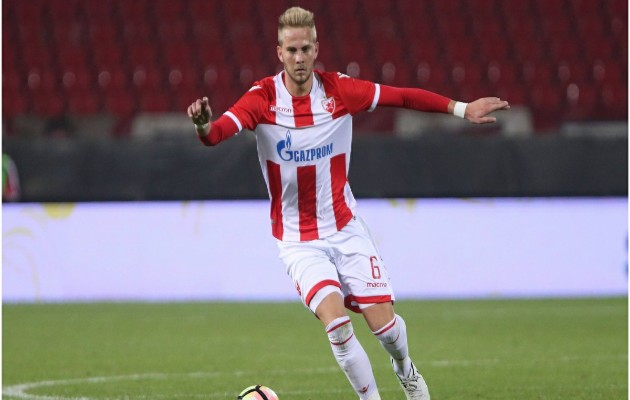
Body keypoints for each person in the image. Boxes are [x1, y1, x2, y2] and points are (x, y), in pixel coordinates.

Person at [187, 7, 509, 400]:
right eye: (292, 50)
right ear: (279, 52)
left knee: (386, 331)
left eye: (306, 49)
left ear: (316, 49)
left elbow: (402, 96)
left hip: (345, 227)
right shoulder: (262, 99)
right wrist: (203, 124)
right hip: (298, 241)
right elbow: (216, 134)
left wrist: (461, 108)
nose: (299, 58)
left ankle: (405, 369)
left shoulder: (339, 91)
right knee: (337, 325)